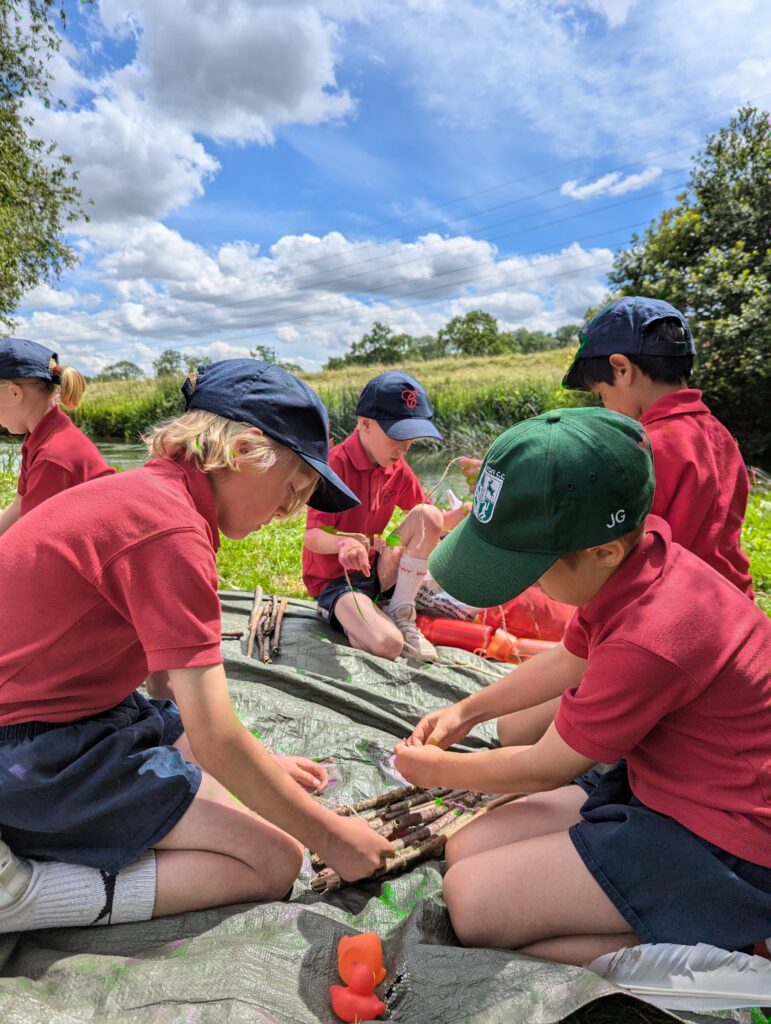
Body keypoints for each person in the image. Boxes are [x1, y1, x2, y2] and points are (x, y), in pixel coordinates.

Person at [0, 359, 393, 933]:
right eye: (291, 488)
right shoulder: (173, 532)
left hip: (70, 712)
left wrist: (252, 767)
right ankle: (23, 894)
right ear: (243, 451)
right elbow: (214, 735)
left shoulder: (152, 496)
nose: (287, 513)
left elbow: (164, 687)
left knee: (211, 770)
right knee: (275, 858)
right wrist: (335, 840)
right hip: (27, 755)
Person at [395, 408, 771, 966]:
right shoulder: (640, 560)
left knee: (472, 907)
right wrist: (468, 712)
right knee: (463, 847)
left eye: (534, 568)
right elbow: (573, 656)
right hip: (664, 786)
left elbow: (546, 767)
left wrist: (435, 771)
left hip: (728, 840)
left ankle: (735, 932)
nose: (526, 586)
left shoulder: (652, 634)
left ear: (602, 552)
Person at [303, 371, 468, 662]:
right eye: (397, 436)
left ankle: (401, 611)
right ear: (365, 424)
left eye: (411, 439)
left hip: (378, 567)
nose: (404, 447)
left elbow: (429, 520)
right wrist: (343, 545)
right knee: (388, 644)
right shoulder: (335, 467)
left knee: (426, 514)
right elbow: (313, 537)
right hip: (339, 582)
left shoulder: (397, 467)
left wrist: (466, 512)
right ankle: (364, 616)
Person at [0, 338, 114, 537]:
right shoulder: (40, 436)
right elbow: (20, 505)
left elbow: (29, 539)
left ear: (14, 393)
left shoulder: (52, 456)